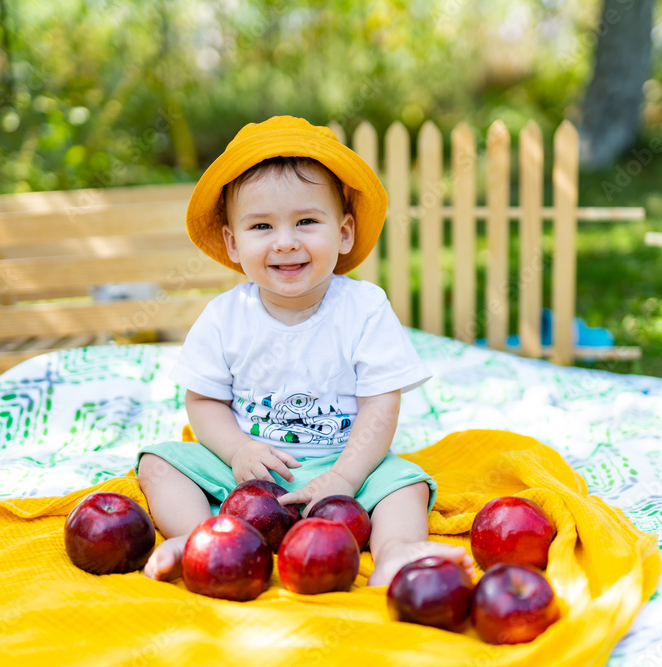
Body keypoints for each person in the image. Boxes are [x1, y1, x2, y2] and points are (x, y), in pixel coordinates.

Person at [136, 116, 472, 587]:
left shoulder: (364, 308)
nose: (286, 241)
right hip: (250, 469)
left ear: (345, 233)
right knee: (159, 462)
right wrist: (237, 450)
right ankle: (204, 539)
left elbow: (381, 403)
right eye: (261, 226)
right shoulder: (224, 316)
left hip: (344, 460)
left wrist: (346, 480)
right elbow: (204, 401)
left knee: (407, 482)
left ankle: (396, 551)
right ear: (233, 243)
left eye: (307, 221)